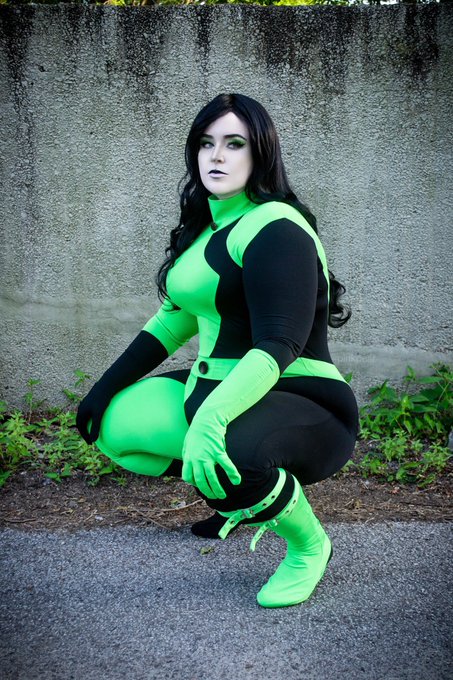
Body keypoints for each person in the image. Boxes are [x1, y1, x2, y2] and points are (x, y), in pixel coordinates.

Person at [76, 93, 358, 608]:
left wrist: (210, 421)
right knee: (113, 426)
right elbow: (173, 320)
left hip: (305, 400)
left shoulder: (277, 226)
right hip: (214, 391)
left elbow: (280, 342)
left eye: (234, 144)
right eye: (206, 144)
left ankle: (308, 544)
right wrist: (104, 387)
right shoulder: (208, 225)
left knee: (229, 452)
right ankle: (233, 494)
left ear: (261, 152)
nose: (217, 156)